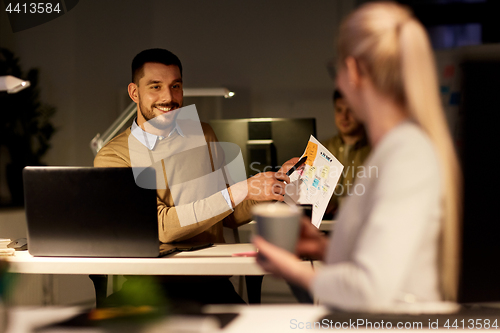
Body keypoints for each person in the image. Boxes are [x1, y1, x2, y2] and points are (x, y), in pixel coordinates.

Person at [254, 2, 461, 312]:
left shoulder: (406, 155)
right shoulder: (397, 150)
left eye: (336, 69)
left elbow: (371, 290)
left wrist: (292, 269)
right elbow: (388, 263)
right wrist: (325, 248)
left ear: (353, 70)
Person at [94, 48, 295, 306]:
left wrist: (273, 186)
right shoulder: (114, 156)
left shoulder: (202, 132)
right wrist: (241, 189)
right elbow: (161, 227)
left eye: (175, 86)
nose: (169, 97)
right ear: (134, 92)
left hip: (213, 284)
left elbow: (230, 214)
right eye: (155, 86)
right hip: (150, 290)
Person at [323, 89, 371, 217]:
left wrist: (339, 204)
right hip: (323, 225)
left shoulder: (375, 150)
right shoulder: (322, 148)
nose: (344, 117)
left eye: (350, 110)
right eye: (339, 110)